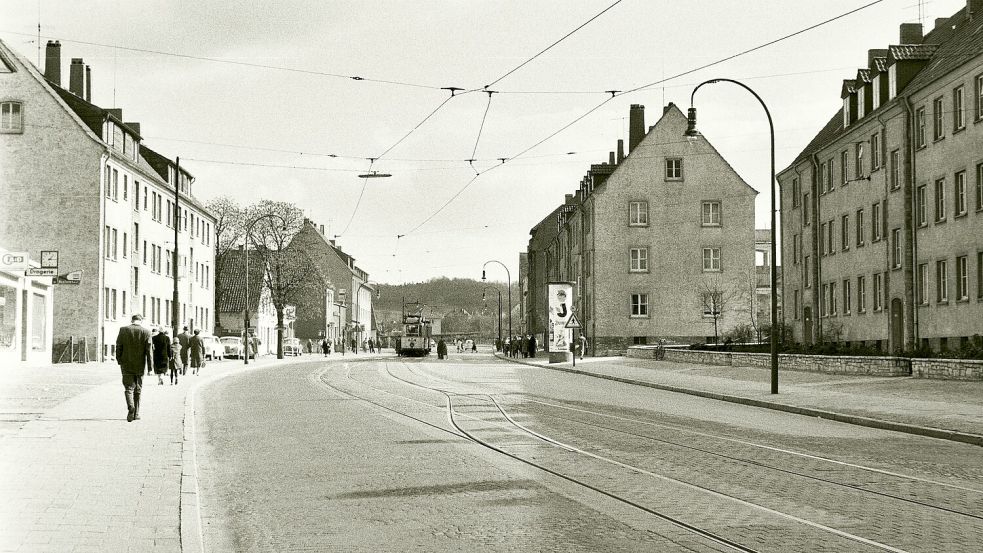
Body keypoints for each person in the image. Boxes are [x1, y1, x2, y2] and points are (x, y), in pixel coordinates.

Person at [115, 314, 153, 422]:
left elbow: (118, 346)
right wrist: (150, 368)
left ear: (132, 320)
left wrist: (119, 360)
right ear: (141, 321)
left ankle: (130, 407)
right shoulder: (146, 332)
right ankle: (136, 414)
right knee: (138, 390)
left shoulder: (123, 330)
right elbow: (149, 351)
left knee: (128, 388)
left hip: (126, 364)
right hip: (140, 365)